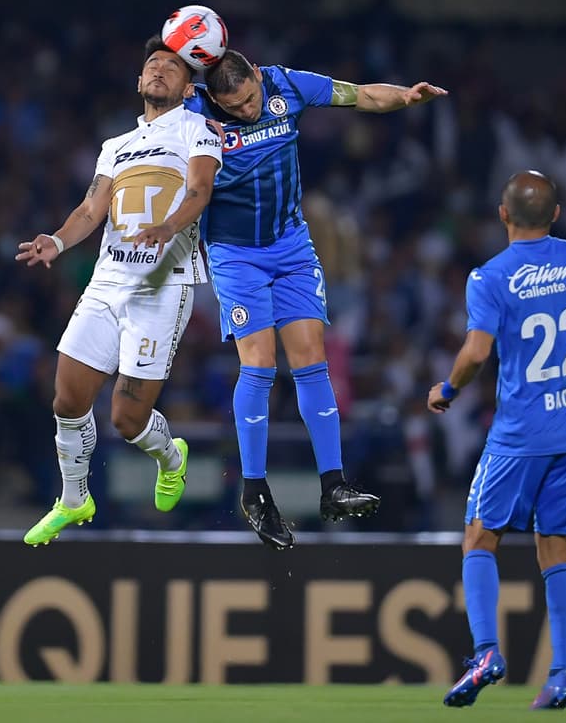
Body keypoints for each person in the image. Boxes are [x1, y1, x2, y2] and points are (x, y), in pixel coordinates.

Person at [187, 48, 447, 548]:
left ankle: (334, 485)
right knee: (259, 366)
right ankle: (255, 490)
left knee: (312, 361)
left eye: (249, 100)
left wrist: (407, 97)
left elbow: (363, 95)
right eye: (234, 108)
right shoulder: (195, 109)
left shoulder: (287, 84)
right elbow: (157, 102)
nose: (245, 110)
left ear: (258, 79)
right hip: (236, 255)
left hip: (291, 246)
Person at [427, 172, 566, 710]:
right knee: (556, 549)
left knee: (480, 538)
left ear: (502, 216)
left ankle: (486, 652)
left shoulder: (489, 277)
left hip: (522, 431)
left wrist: (447, 388)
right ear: (555, 214)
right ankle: (562, 675)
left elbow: (477, 353)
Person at [15, 36, 223, 545]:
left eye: (170, 67)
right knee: (67, 398)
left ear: (186, 85)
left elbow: (199, 190)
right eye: (151, 64)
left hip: (162, 285)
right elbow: (91, 210)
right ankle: (73, 498)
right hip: (108, 281)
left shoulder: (200, 129)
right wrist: (57, 242)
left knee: (127, 419)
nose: (158, 71)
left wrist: (169, 227)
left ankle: (171, 455)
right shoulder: (116, 146)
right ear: (138, 82)